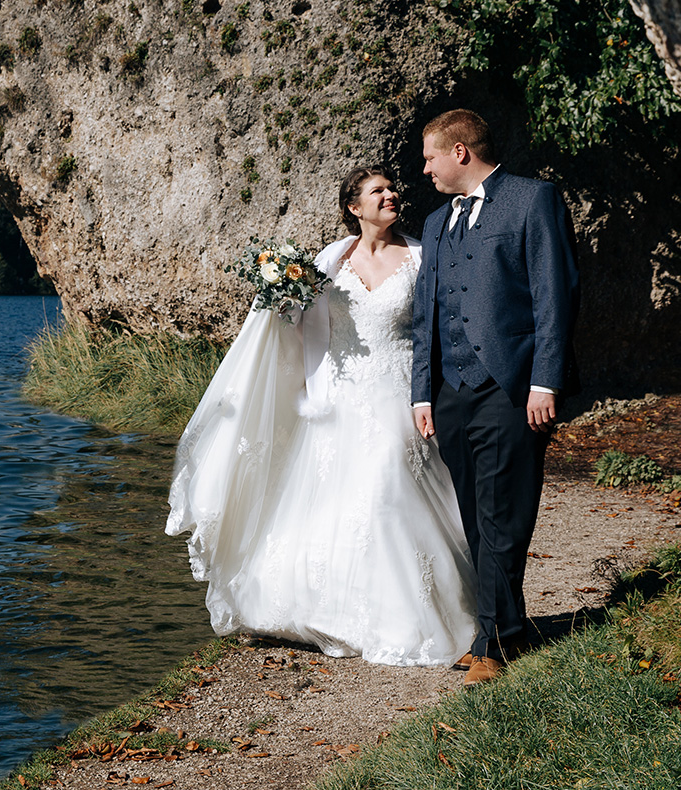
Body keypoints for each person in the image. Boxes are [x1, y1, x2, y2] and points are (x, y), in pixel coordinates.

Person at [166, 167, 477, 666]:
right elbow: (304, 327)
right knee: (332, 498)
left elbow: (438, 330)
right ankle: (325, 611)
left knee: (387, 483)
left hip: (398, 389)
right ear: (354, 207)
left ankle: (402, 618)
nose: (391, 195)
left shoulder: (422, 257)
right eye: (378, 191)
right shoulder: (331, 260)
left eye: (392, 188)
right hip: (338, 394)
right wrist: (279, 305)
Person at [410, 108, 579, 686]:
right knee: (476, 519)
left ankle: (495, 644)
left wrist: (545, 381)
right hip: (450, 392)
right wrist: (423, 393)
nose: (425, 169)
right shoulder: (437, 222)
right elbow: (425, 315)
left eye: (430, 157)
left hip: (512, 386)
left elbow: (555, 295)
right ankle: (501, 627)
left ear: (460, 152)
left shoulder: (533, 200)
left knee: (504, 513)